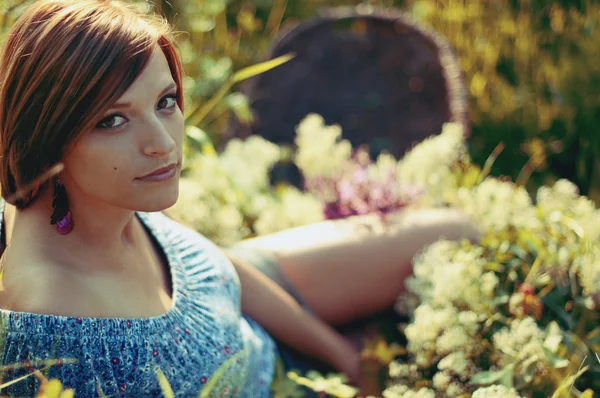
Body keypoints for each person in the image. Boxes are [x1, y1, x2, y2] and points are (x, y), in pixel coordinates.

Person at [0, 1, 480, 396]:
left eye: (165, 102)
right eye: (113, 120)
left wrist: (343, 357)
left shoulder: (104, 196)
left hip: (246, 305)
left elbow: (216, 269)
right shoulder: (60, 334)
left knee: (456, 234)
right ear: (49, 133)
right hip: (265, 380)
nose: (163, 144)